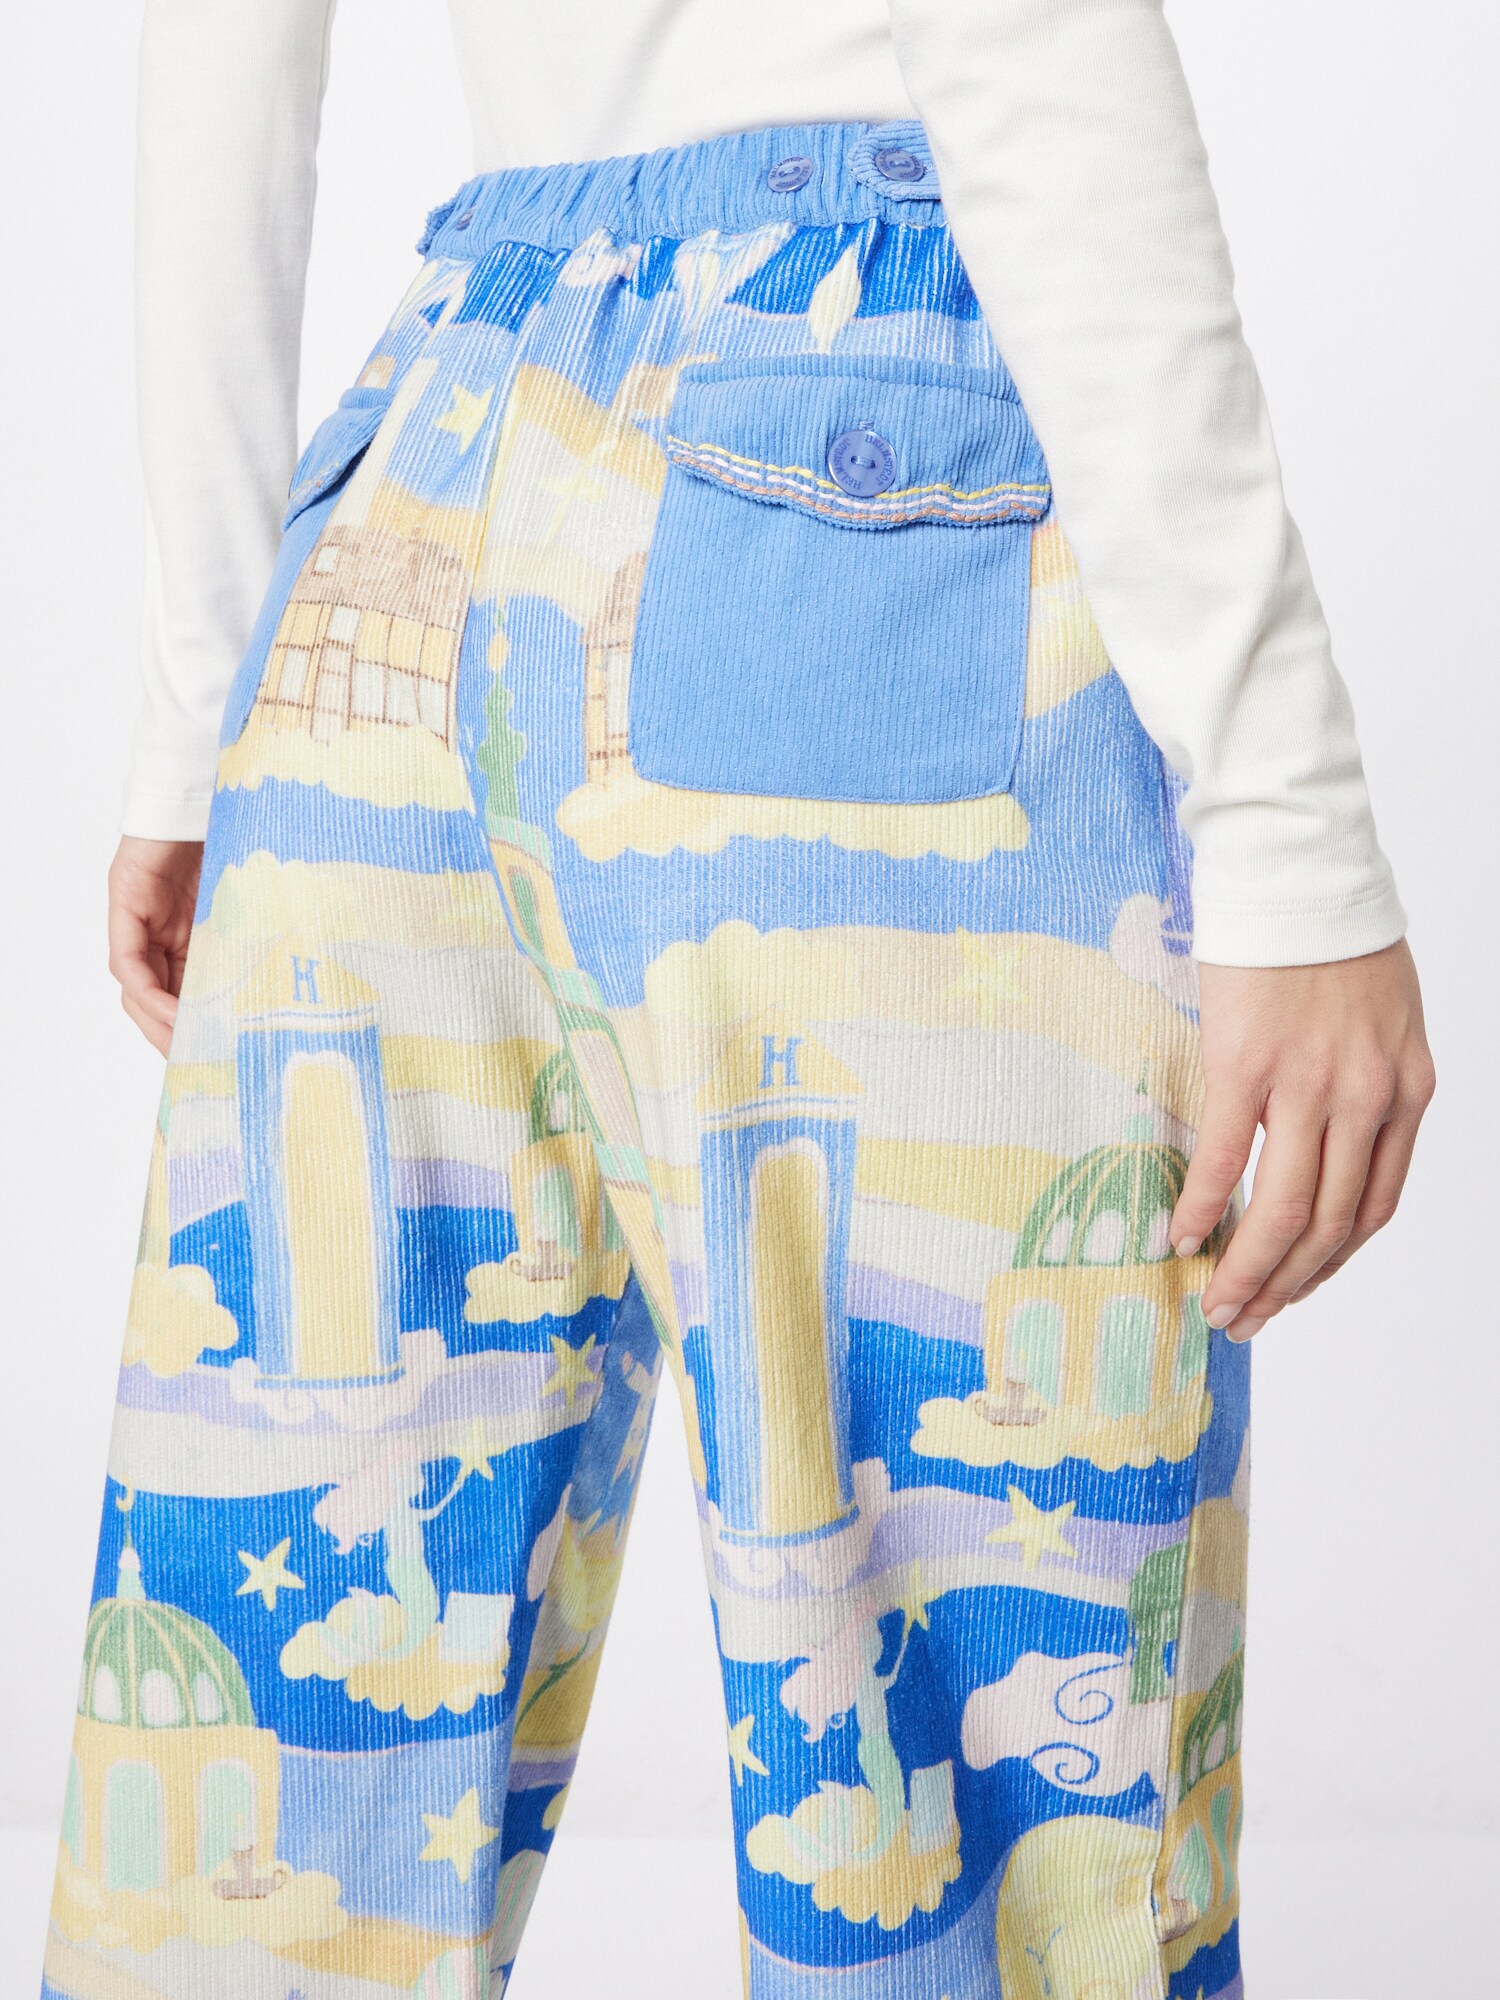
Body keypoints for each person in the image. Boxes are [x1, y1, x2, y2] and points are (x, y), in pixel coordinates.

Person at [45, 4, 1433, 1998]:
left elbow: (215, 74)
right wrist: (1288, 813)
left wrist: (196, 717)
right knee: (964, 1774)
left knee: (284, 1779)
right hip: (854, 446)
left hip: (423, 477)